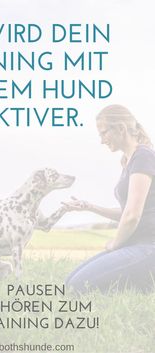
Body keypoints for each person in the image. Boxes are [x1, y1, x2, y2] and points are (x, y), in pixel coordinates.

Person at [64, 104, 155, 294]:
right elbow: (126, 212)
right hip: (135, 245)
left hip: (148, 247)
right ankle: (139, 284)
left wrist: (115, 243)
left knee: (76, 287)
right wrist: (89, 207)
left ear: (121, 128)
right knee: (69, 281)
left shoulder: (143, 156)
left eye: (104, 133)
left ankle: (143, 285)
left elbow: (132, 216)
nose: (102, 140)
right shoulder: (128, 160)